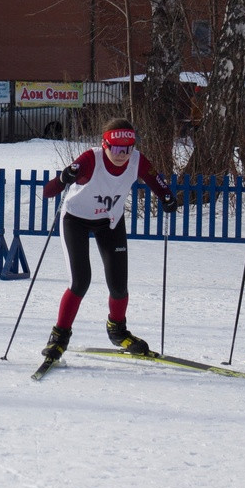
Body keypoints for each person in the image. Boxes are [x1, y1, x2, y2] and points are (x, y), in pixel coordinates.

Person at [38, 118, 177, 362]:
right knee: (81, 281)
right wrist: (64, 178)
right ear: (105, 145)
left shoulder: (137, 161)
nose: (122, 155)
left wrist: (167, 197)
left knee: (119, 285)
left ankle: (117, 330)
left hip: (110, 222)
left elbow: (158, 183)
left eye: (127, 149)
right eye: (116, 149)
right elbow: (48, 192)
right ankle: (59, 336)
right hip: (76, 220)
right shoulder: (91, 159)